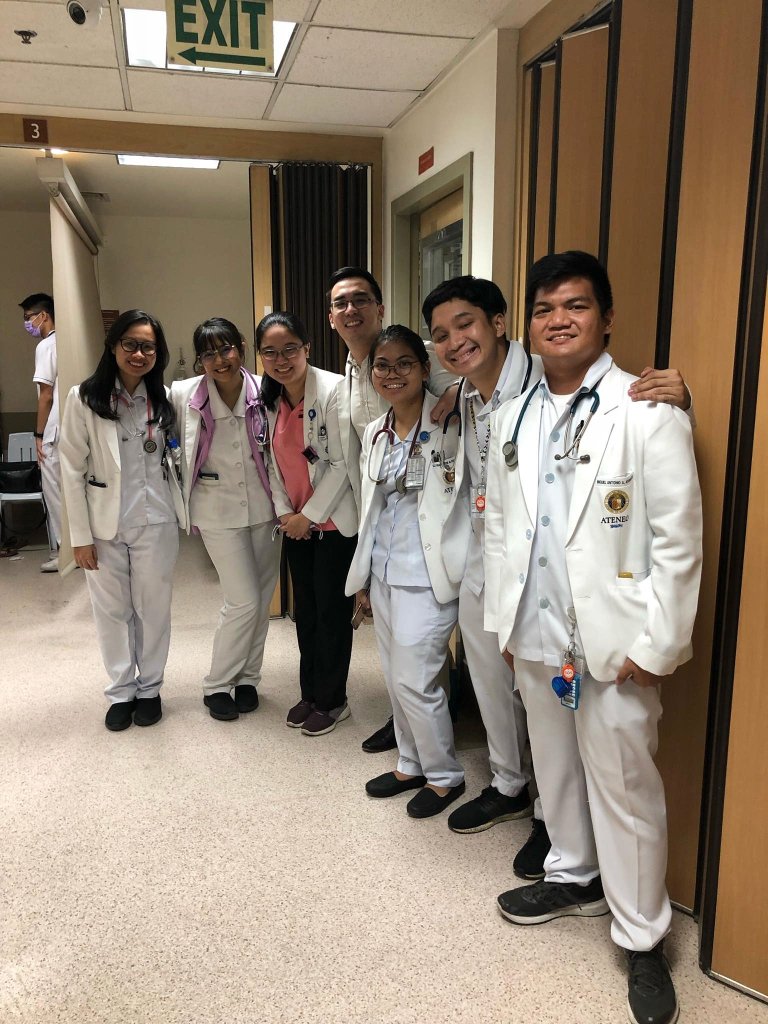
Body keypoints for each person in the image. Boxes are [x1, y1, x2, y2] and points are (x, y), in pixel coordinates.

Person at [483, 251, 702, 1024]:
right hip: (535, 630)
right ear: (528, 326)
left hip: (616, 642)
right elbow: (500, 529)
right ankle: (573, 874)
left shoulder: (648, 410)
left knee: (626, 787)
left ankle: (643, 936)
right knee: (555, 768)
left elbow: (678, 539)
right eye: (544, 309)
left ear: (606, 319)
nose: (559, 320)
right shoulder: (509, 418)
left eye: (575, 305)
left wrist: (659, 644)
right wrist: (504, 620)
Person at [423, 276, 693, 878]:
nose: (455, 341)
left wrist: (682, 399)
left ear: (499, 324)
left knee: (610, 761)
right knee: (506, 697)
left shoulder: (568, 386)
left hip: (589, 598)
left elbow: (671, 521)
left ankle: (555, 829)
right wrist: (506, 620)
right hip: (502, 571)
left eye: (465, 324)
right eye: (441, 334)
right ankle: (523, 799)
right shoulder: (465, 395)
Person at [326, 266, 458, 753]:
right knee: (398, 659)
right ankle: (412, 741)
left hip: (432, 532)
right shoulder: (350, 373)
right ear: (331, 317)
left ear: (379, 308)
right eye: (340, 304)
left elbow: (475, 391)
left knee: (419, 661)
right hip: (383, 525)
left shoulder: (418, 357)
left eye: (361, 300)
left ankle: (436, 748)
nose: (351, 310)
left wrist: (457, 391)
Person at [346, 325, 470, 818]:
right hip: (384, 571)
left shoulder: (454, 420)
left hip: (430, 575)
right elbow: (372, 509)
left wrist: (458, 387)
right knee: (396, 678)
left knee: (416, 680)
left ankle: (444, 776)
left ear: (424, 368)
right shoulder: (376, 432)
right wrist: (363, 582)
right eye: (382, 365)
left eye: (404, 363)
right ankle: (410, 762)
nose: (392, 373)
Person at [59, 309, 184, 731]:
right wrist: (79, 537)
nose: (139, 353)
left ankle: (150, 689)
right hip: (103, 524)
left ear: (157, 353)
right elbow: (70, 469)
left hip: (157, 518)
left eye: (148, 346)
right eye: (130, 344)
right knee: (111, 611)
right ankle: (120, 691)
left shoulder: (164, 398)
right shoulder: (84, 398)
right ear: (113, 346)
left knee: (153, 609)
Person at [170, 318, 280, 722]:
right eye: (208, 354)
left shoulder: (267, 390)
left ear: (242, 347)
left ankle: (248, 677)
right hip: (215, 510)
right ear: (200, 361)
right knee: (242, 599)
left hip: (266, 509)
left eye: (225, 349)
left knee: (261, 597)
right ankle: (217, 683)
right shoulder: (184, 394)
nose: (219, 360)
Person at [257, 311, 358, 736]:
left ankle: (334, 701)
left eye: (289, 350)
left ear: (307, 348)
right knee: (307, 613)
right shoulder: (270, 400)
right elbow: (271, 462)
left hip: (331, 523)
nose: (281, 360)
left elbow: (343, 463)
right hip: (295, 524)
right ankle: (311, 693)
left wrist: (308, 517)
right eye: (270, 352)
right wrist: (286, 513)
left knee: (332, 614)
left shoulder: (334, 390)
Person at [20, 292, 60, 571]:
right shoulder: (66, 343)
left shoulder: (46, 346)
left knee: (54, 492)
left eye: (28, 317)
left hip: (54, 431)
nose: (27, 324)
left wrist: (38, 435)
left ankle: (64, 552)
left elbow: (45, 394)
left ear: (43, 316)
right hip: (71, 429)